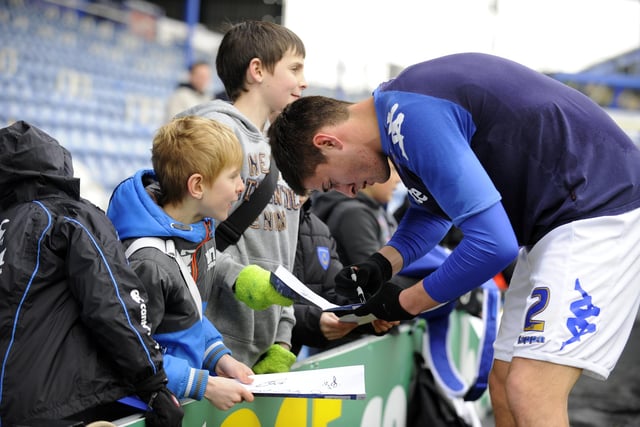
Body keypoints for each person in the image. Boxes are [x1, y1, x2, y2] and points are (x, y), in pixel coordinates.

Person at [266, 52, 640, 427]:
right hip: (560, 219)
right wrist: (383, 263)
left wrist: (406, 302)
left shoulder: (412, 117)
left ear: (328, 142)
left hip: (599, 209)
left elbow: (494, 244)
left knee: (530, 388)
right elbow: (433, 212)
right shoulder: (395, 114)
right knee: (505, 381)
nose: (348, 193)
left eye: (332, 183)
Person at [0, 121, 183, 426]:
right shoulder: (69, 215)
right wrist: (153, 384)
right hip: (60, 404)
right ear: (57, 164)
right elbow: (112, 303)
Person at [176, 20, 307, 373]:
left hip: (263, 348)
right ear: (257, 70)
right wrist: (239, 279)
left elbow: (286, 254)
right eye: (295, 68)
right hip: (212, 345)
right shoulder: (214, 133)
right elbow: (182, 238)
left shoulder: (284, 153)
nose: (303, 81)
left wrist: (282, 336)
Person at [107, 116, 258, 410]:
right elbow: (133, 352)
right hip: (142, 407)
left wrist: (220, 357)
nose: (241, 187)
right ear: (197, 185)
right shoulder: (148, 261)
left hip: (176, 395)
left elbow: (189, 316)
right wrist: (205, 385)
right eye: (233, 177)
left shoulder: (198, 232)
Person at [291, 195, 398, 355]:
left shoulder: (317, 228)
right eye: (392, 170)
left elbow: (332, 292)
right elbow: (248, 299)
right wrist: (312, 321)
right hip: (248, 361)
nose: (397, 179)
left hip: (289, 359)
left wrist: (369, 316)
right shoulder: (354, 215)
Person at [311, 161, 402, 265]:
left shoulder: (379, 210)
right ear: (369, 174)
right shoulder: (354, 214)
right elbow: (372, 273)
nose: (399, 180)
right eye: (393, 170)